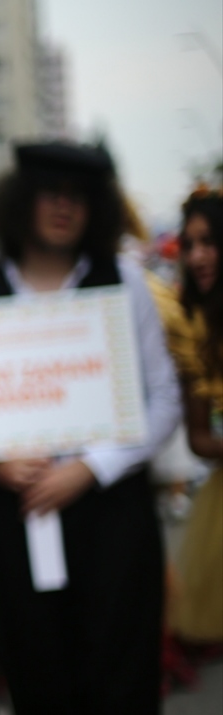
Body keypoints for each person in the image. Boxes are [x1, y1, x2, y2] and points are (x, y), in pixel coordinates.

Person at [0, 142, 181, 715]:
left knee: (122, 679)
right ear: (22, 201)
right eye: (51, 193)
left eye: (78, 197)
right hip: (12, 518)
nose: (63, 207)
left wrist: (89, 468)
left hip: (111, 520)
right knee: (35, 681)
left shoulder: (125, 283)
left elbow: (164, 398)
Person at [161, 187, 223, 651]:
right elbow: (200, 437)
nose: (198, 255)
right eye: (189, 244)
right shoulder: (190, 324)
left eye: (209, 241)